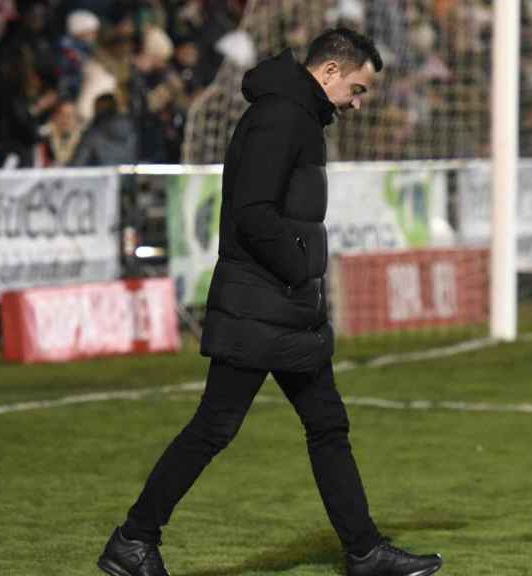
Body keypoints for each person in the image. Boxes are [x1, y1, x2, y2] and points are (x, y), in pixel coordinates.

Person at [96, 28, 444, 576]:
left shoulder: (297, 115)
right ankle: (134, 540)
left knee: (327, 424)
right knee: (216, 427)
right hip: (260, 304)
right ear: (329, 72)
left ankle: (364, 551)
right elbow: (253, 214)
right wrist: (302, 265)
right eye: (356, 89)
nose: (356, 103)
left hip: (283, 307)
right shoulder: (282, 117)